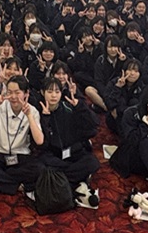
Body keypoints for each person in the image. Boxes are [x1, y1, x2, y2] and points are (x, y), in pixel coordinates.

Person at [0, 75, 45, 197]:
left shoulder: (32, 111)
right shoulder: (0, 106)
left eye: (17, 92)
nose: (13, 97)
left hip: (19, 155)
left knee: (39, 169)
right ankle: (17, 186)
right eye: (10, 92)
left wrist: (29, 116)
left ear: (26, 94)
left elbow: (39, 141)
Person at [37, 78, 101, 207]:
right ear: (43, 92)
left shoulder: (68, 107)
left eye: (57, 91)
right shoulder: (37, 111)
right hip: (53, 157)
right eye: (50, 91)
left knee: (93, 162)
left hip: (72, 153)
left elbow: (94, 124)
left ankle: (60, 180)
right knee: (41, 166)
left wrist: (79, 106)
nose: (54, 95)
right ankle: (77, 181)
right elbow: (42, 145)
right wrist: (45, 119)